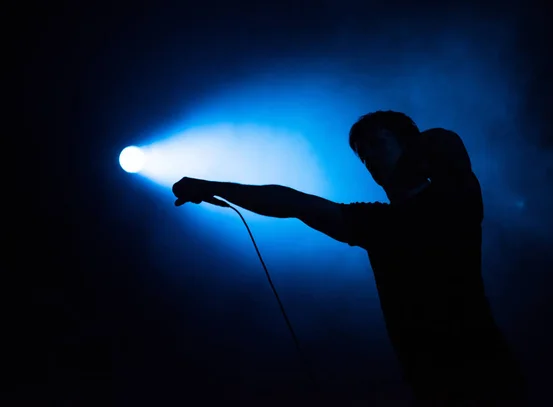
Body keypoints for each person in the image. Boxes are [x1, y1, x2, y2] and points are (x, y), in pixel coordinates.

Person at [172, 111, 527, 406]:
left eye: (377, 144)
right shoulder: (378, 223)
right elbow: (296, 203)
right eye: (362, 153)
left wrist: (407, 155)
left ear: (409, 145)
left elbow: (445, 140)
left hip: (486, 372)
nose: (369, 157)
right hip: (431, 385)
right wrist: (211, 186)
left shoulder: (453, 200)